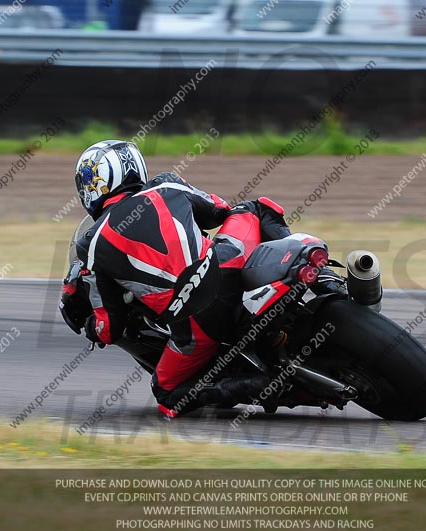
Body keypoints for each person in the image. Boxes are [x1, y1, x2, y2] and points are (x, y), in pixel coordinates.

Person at [60, 140, 292, 417]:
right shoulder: (168, 184)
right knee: (255, 208)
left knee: (167, 393)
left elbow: (109, 327)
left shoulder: (91, 246)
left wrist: (91, 328)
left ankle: (261, 384)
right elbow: (219, 210)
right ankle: (304, 266)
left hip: (196, 322)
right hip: (228, 267)